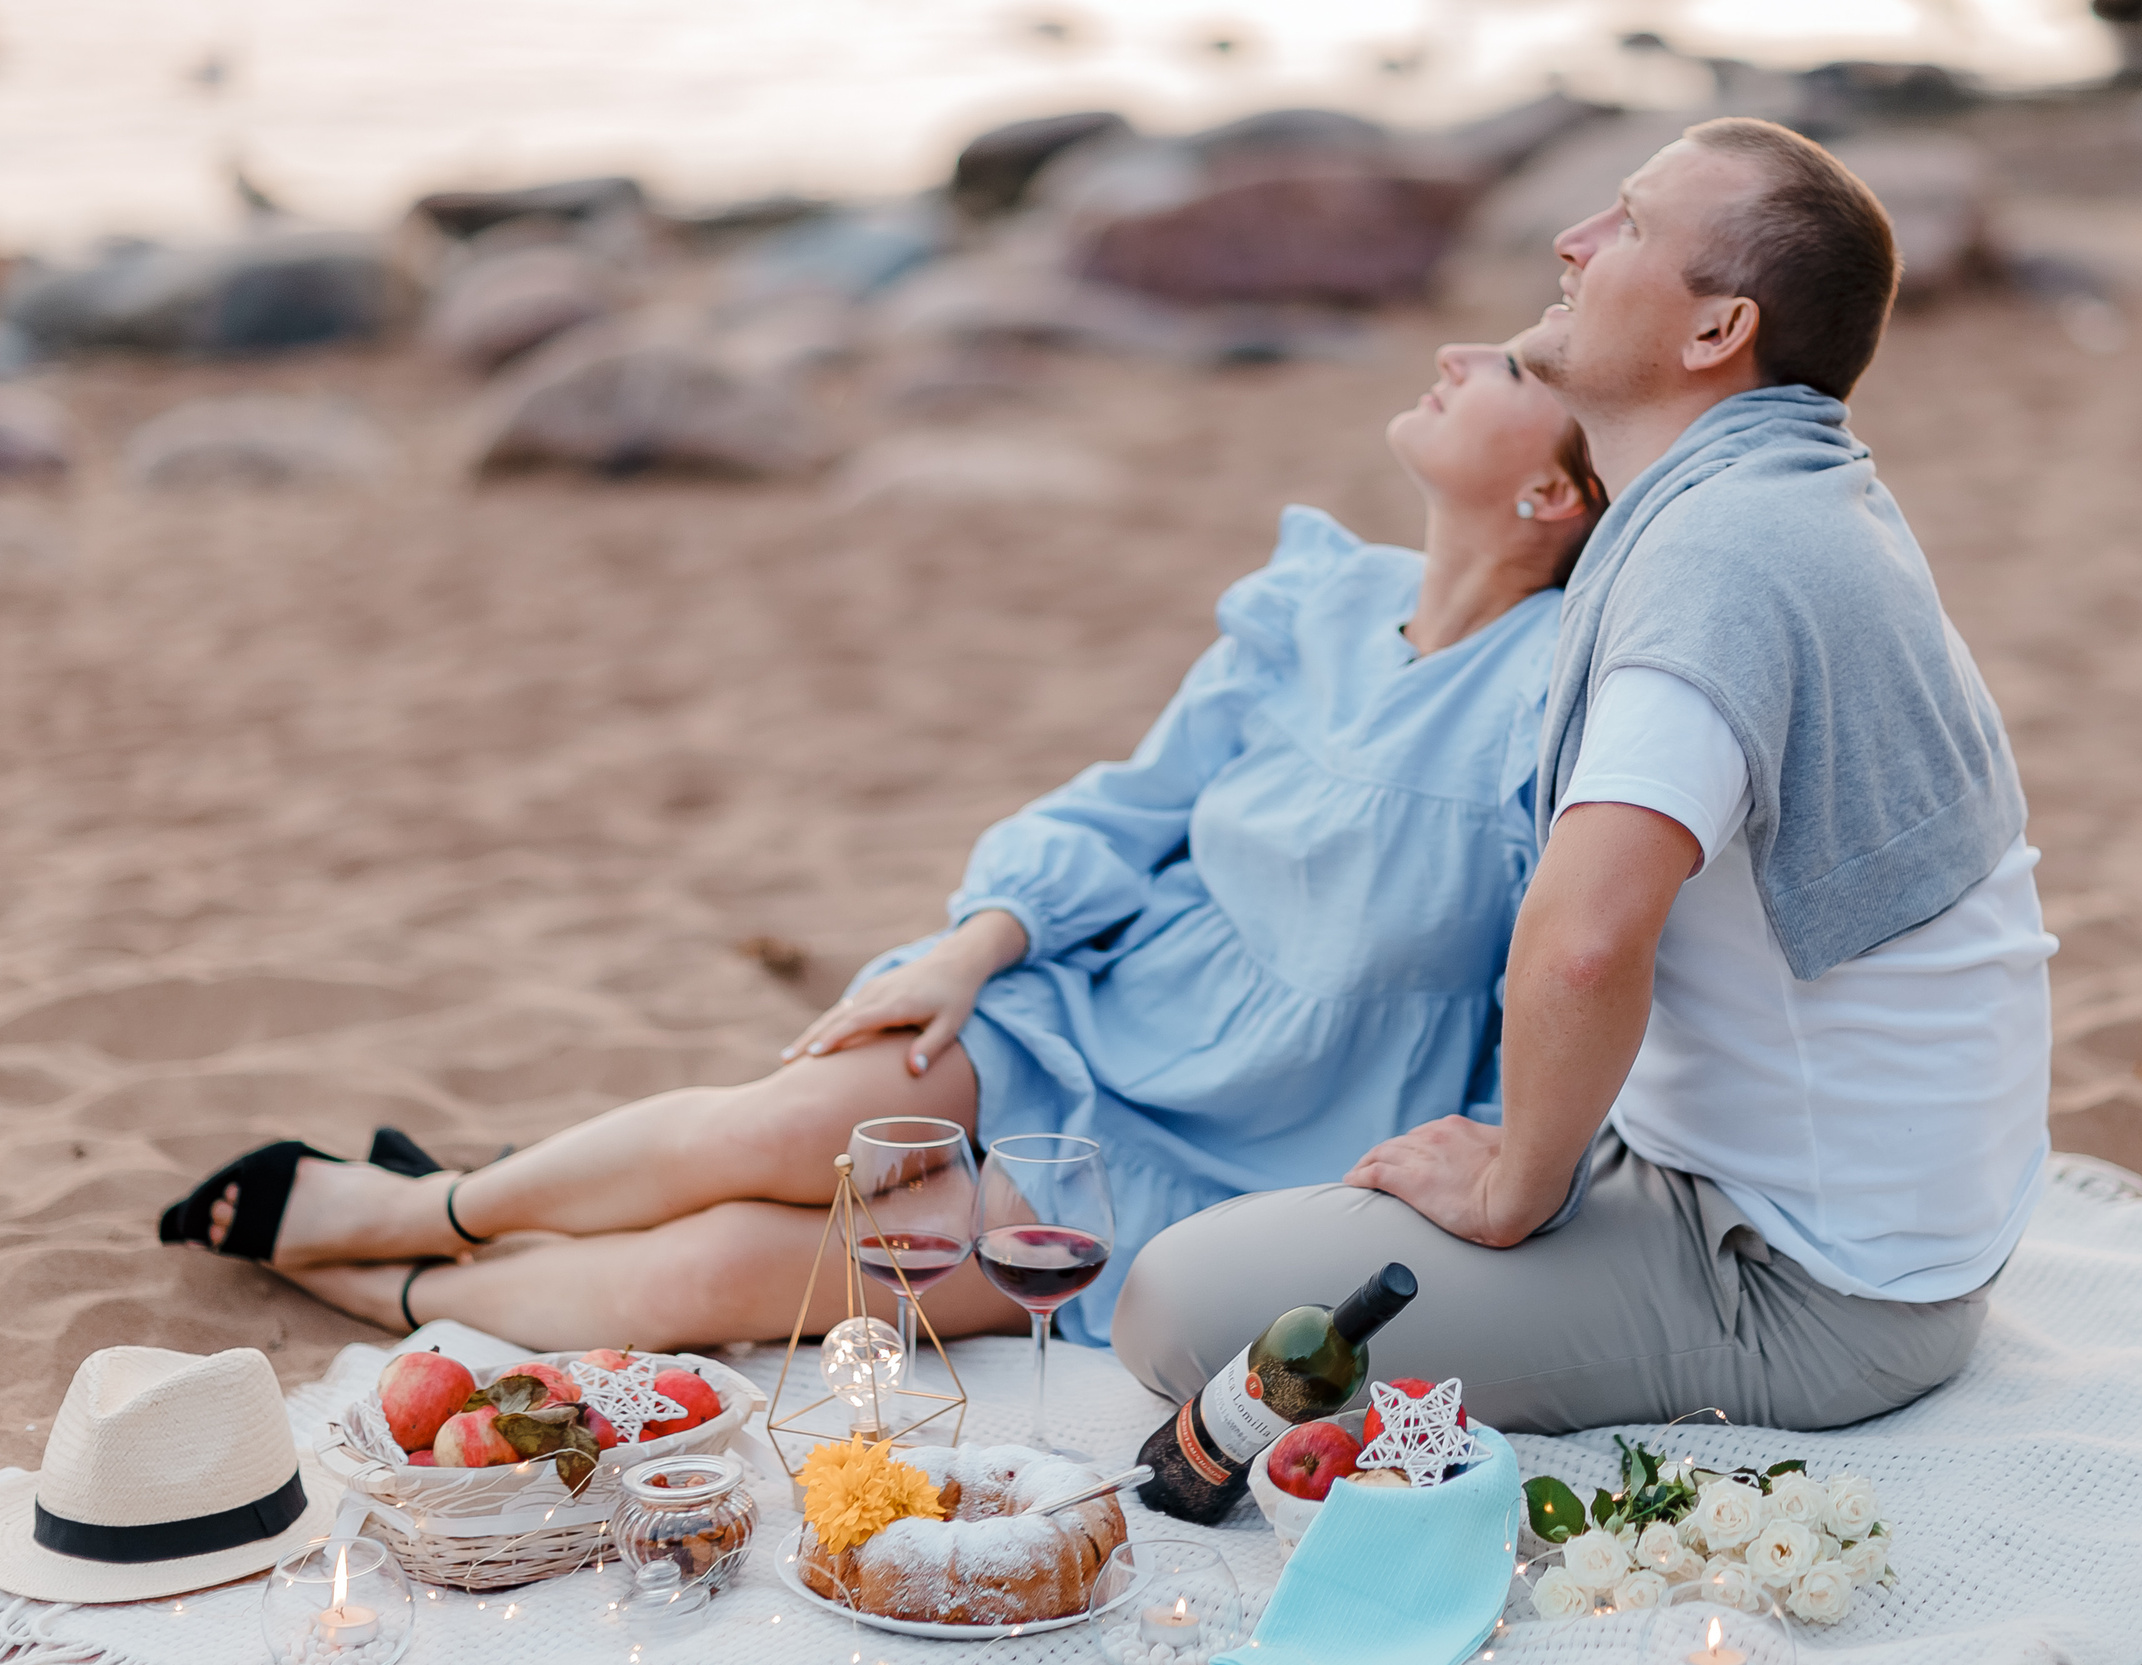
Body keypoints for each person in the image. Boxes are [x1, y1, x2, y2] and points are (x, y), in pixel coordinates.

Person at [159, 338, 1609, 1353]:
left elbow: (1561, 961)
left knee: (739, 1269)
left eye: (1516, 372)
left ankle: (402, 1297)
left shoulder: (1556, 696)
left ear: (1550, 497)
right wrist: (979, 946)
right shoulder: (1315, 599)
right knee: (777, 1133)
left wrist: (1493, 1149)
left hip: (1257, 1140)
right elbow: (1128, 806)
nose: (1462, 353)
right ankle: (422, 1204)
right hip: (1093, 1000)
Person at [1114, 117, 2057, 1436]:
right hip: (1868, 1219)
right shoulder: (1797, 497)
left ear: (1715, 330)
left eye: (1625, 223)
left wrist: (1518, 1182)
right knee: (1321, 1178)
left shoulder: (1717, 560)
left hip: (1808, 1285)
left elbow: (1581, 941)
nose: (1573, 241)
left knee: (1176, 1302)